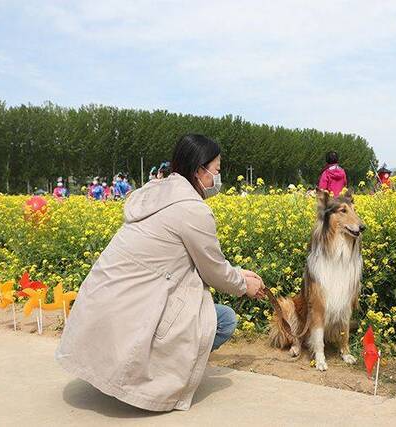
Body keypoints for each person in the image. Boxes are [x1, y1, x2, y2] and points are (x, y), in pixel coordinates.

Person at [56, 134, 266, 412]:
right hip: (135, 309)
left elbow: (192, 262)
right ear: (199, 171)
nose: (218, 177)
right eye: (216, 170)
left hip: (101, 309)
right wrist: (243, 285)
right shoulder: (191, 210)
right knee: (223, 319)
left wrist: (238, 274)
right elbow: (213, 270)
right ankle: (146, 381)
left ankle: (112, 371)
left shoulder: (153, 194)